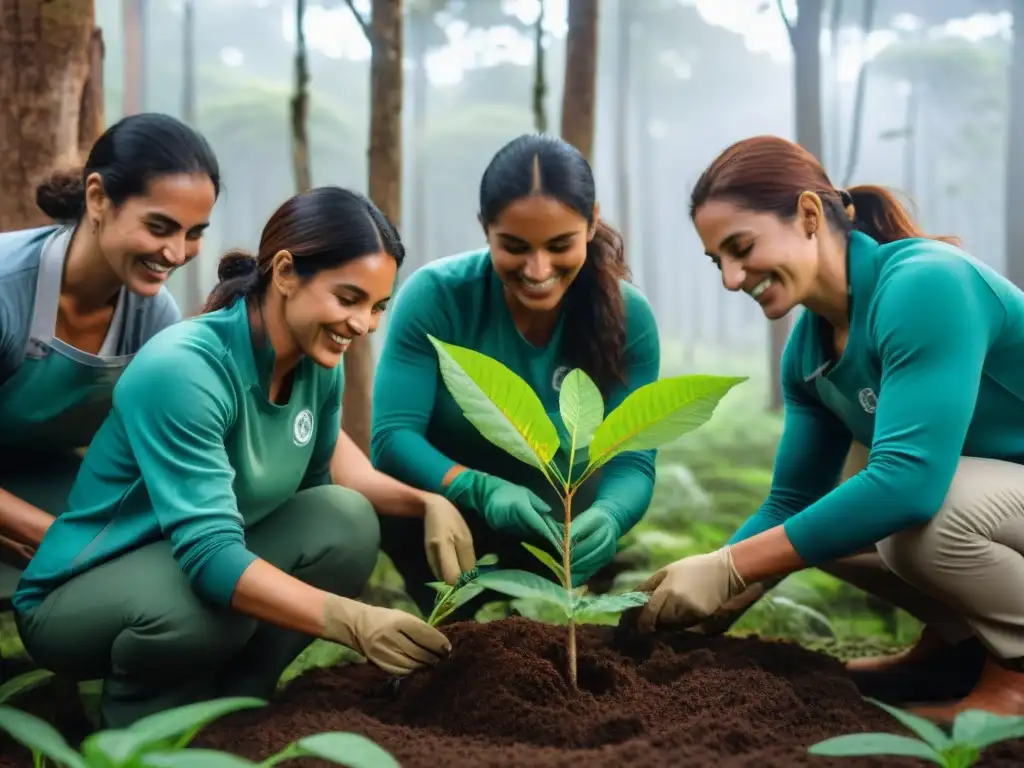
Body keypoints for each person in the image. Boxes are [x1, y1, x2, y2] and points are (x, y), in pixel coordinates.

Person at [12, 186, 477, 728]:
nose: (363, 325)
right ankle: (136, 727)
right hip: (79, 591)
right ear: (284, 272)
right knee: (212, 608)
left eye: (377, 307)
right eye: (348, 299)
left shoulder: (318, 365)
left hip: (182, 568)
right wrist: (352, 621)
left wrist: (428, 504)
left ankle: (240, 702)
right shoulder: (185, 370)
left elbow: (323, 484)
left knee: (345, 522)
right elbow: (211, 557)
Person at [636, 134, 1024, 722]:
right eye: (719, 262)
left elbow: (910, 483)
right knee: (826, 514)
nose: (733, 279)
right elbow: (794, 500)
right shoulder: (809, 350)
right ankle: (958, 649)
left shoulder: (925, 285)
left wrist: (731, 567)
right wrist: (708, 596)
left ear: (810, 216)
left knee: (919, 511)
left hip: (992, 497)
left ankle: (1016, 678)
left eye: (742, 248)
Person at [371, 133, 660, 618]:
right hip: (448, 510)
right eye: (515, 247)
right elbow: (392, 438)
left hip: (556, 518)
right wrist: (478, 489)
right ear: (484, 227)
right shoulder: (438, 296)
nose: (538, 268)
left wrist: (610, 517)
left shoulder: (628, 317)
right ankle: (450, 621)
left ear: (591, 224)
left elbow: (633, 462)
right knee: (446, 624)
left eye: (560, 245)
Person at [0, 113, 220, 610]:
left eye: (194, 233)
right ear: (98, 198)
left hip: (37, 476)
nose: (175, 251)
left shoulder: (153, 316)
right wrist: (60, 539)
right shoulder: (6, 290)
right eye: (159, 226)